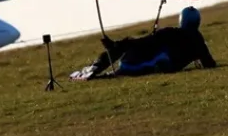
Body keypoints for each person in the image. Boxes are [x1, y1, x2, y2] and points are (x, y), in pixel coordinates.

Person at [69, 6, 216, 81]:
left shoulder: (171, 32)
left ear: (182, 19)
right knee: (123, 63)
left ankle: (95, 68)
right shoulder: (198, 41)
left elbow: (143, 42)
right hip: (154, 66)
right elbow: (209, 64)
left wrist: (116, 45)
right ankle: (100, 72)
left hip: (145, 65)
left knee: (128, 46)